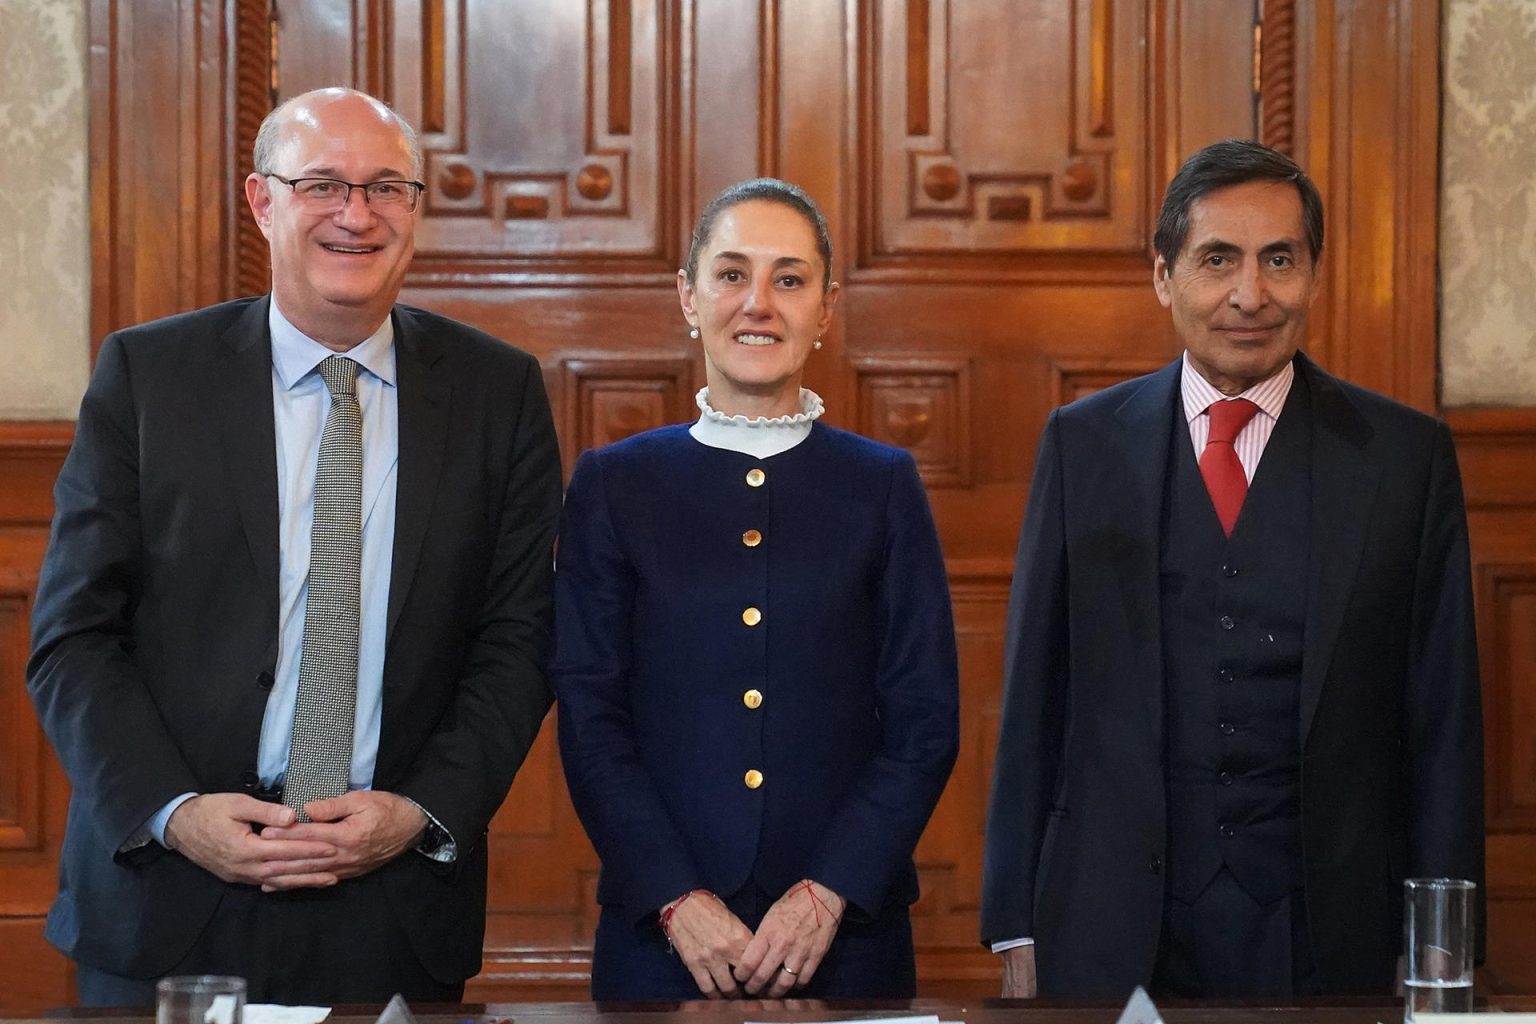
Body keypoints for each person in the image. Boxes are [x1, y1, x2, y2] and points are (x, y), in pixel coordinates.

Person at [27, 88, 562, 1005]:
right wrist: (176, 815)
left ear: (416, 210)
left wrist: (418, 812)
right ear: (261, 201)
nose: (356, 215)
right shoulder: (148, 377)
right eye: (322, 184)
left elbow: (518, 643)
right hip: (170, 897)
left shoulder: (497, 393)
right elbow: (74, 638)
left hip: (389, 901)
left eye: (386, 187)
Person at [980, 139, 1484, 999]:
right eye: (1218, 260)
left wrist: (1442, 937)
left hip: (1328, 922)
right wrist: (1014, 921)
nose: (1250, 294)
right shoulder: (1083, 444)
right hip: (1112, 920)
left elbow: (1444, 719)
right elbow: (1036, 693)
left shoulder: (1406, 457)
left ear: (1314, 275)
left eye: (1278, 260)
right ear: (1165, 275)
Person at [552, 178, 960, 1000]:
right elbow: (591, 718)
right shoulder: (614, 484)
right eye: (732, 274)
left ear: (827, 306)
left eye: (790, 278)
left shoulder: (883, 485)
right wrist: (674, 897)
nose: (759, 304)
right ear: (689, 297)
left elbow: (924, 721)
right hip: (660, 938)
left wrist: (828, 892)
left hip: (844, 936)